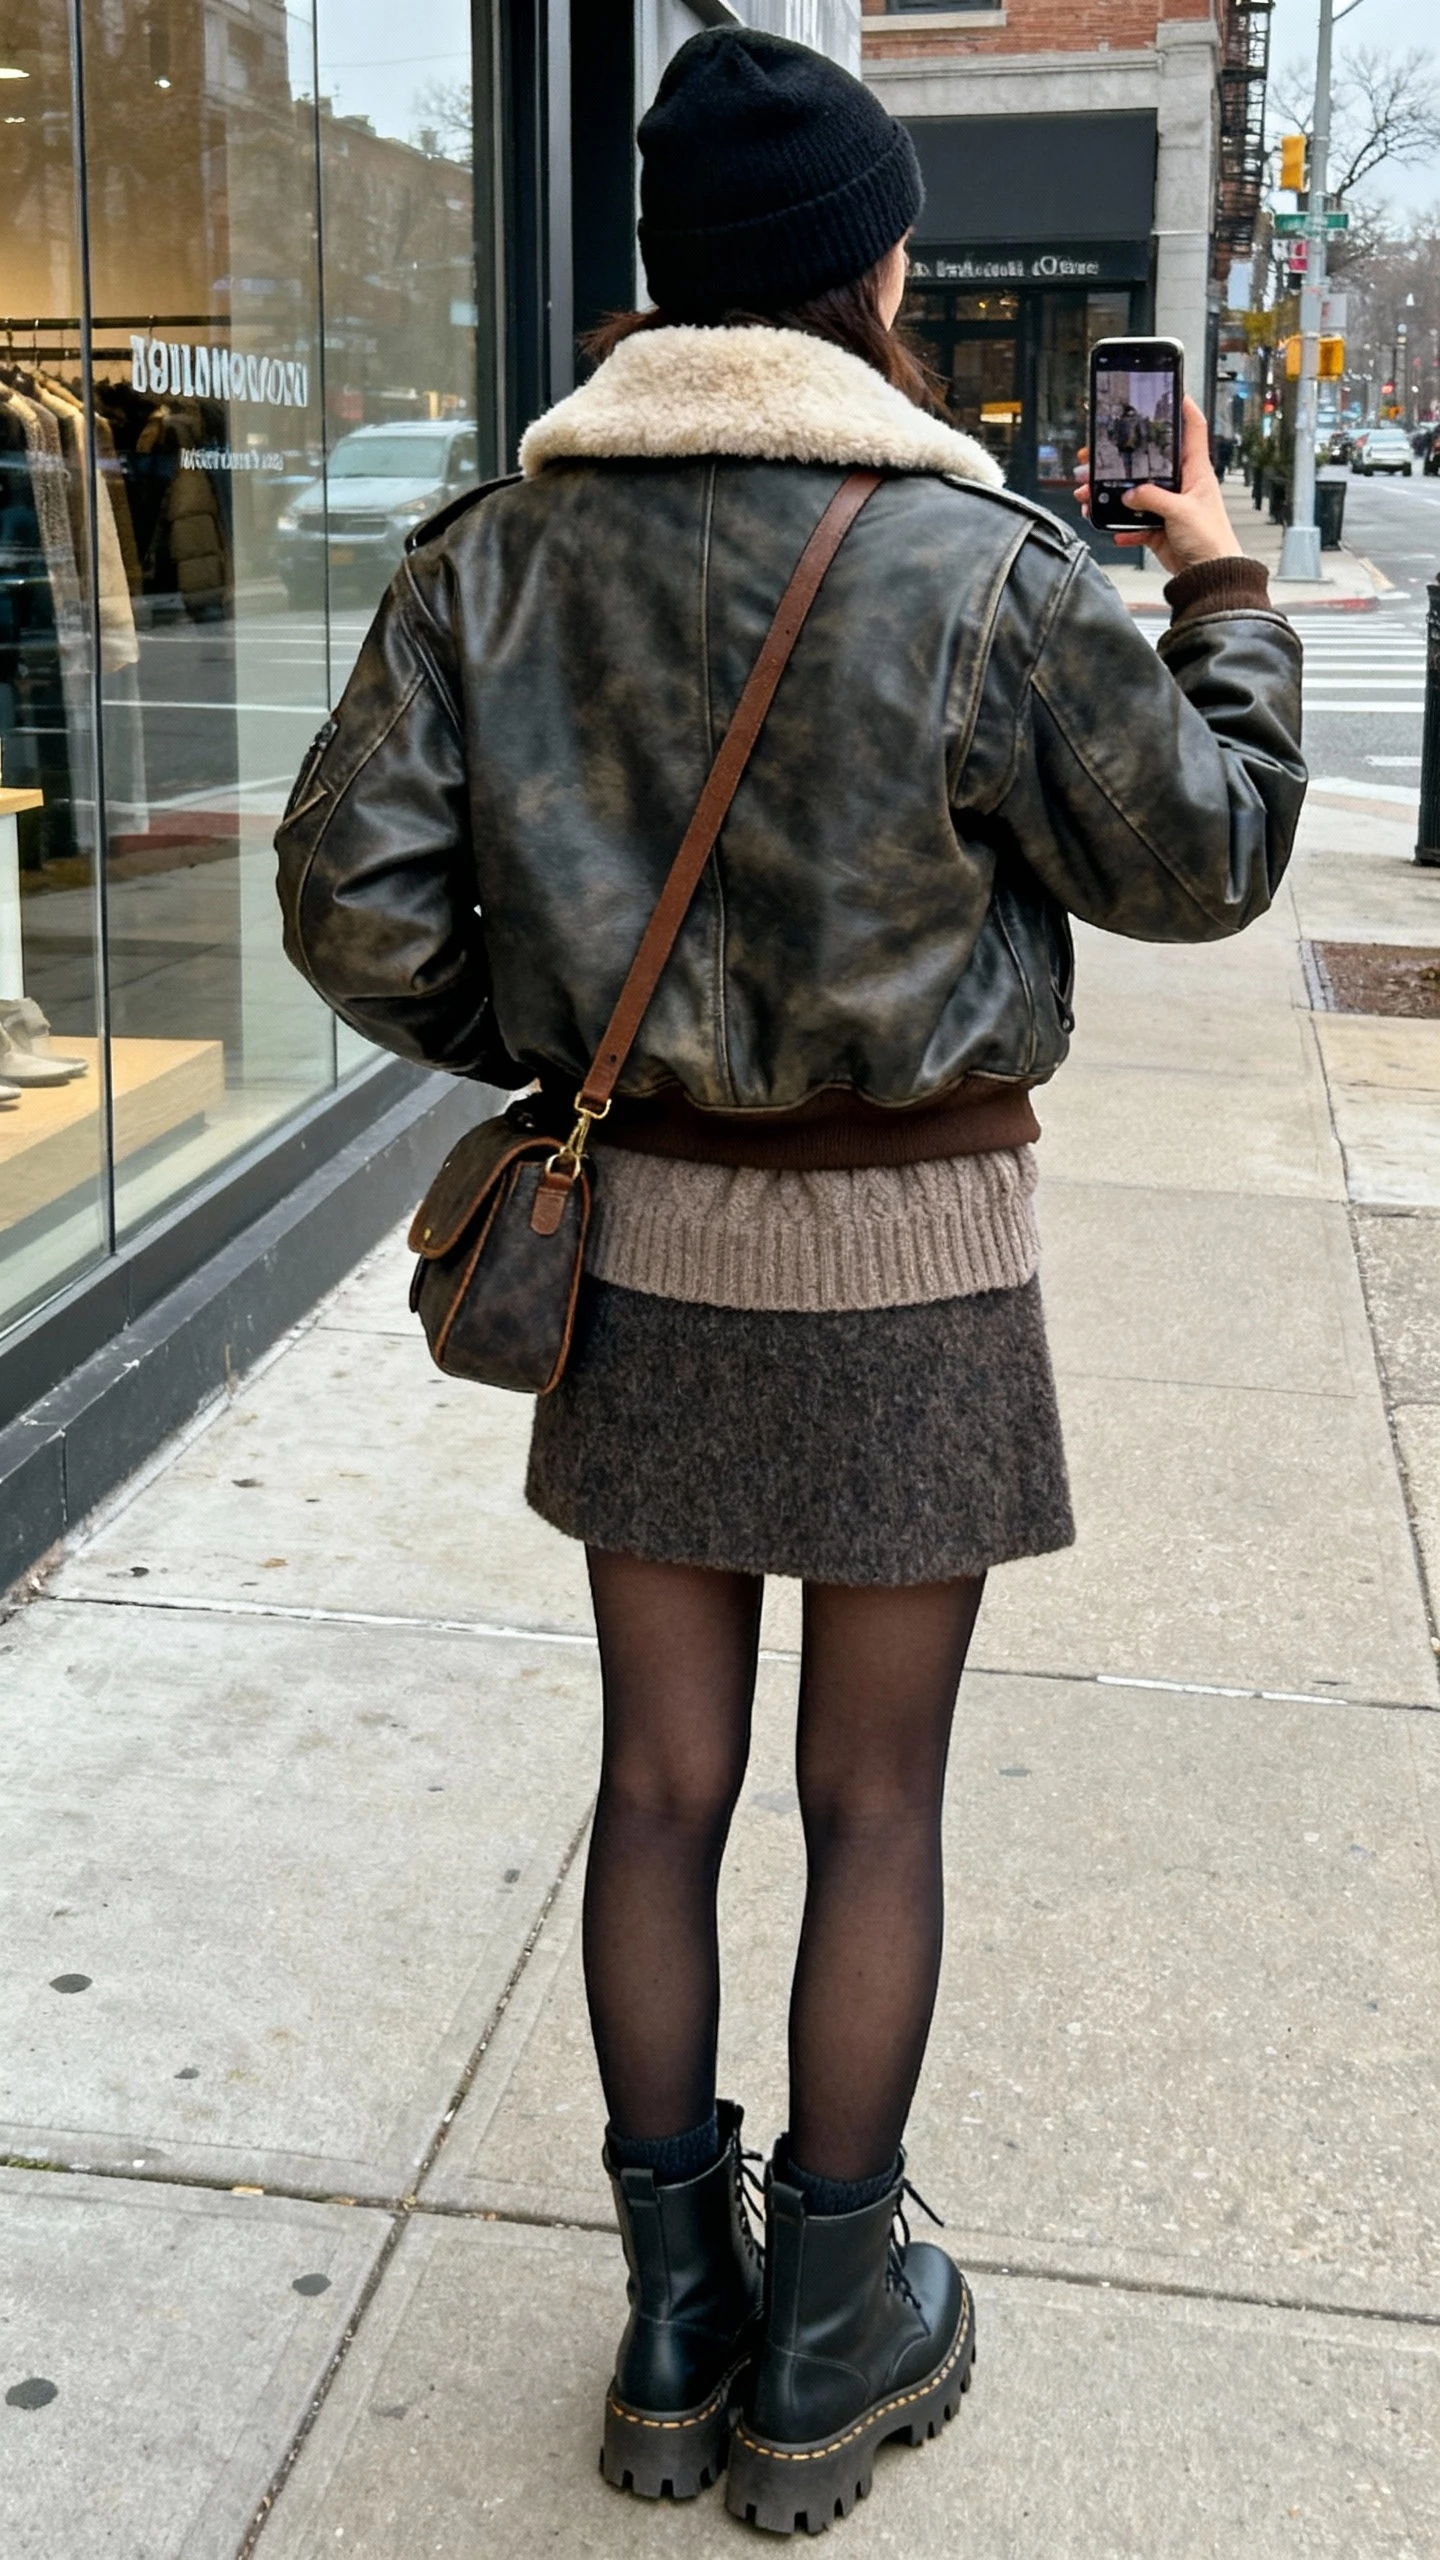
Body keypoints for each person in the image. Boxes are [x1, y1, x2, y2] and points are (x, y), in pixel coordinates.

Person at [275, 26, 1304, 2536]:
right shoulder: (989, 565)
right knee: (873, 1797)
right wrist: (1230, 583)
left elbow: (347, 895)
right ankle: (825, 2349)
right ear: (872, 273)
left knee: (656, 1784)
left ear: (663, 284)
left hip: (647, 1255)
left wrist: (546, 1040)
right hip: (917, 1267)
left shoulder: (497, 551)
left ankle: (663, 2334)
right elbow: (1208, 858)